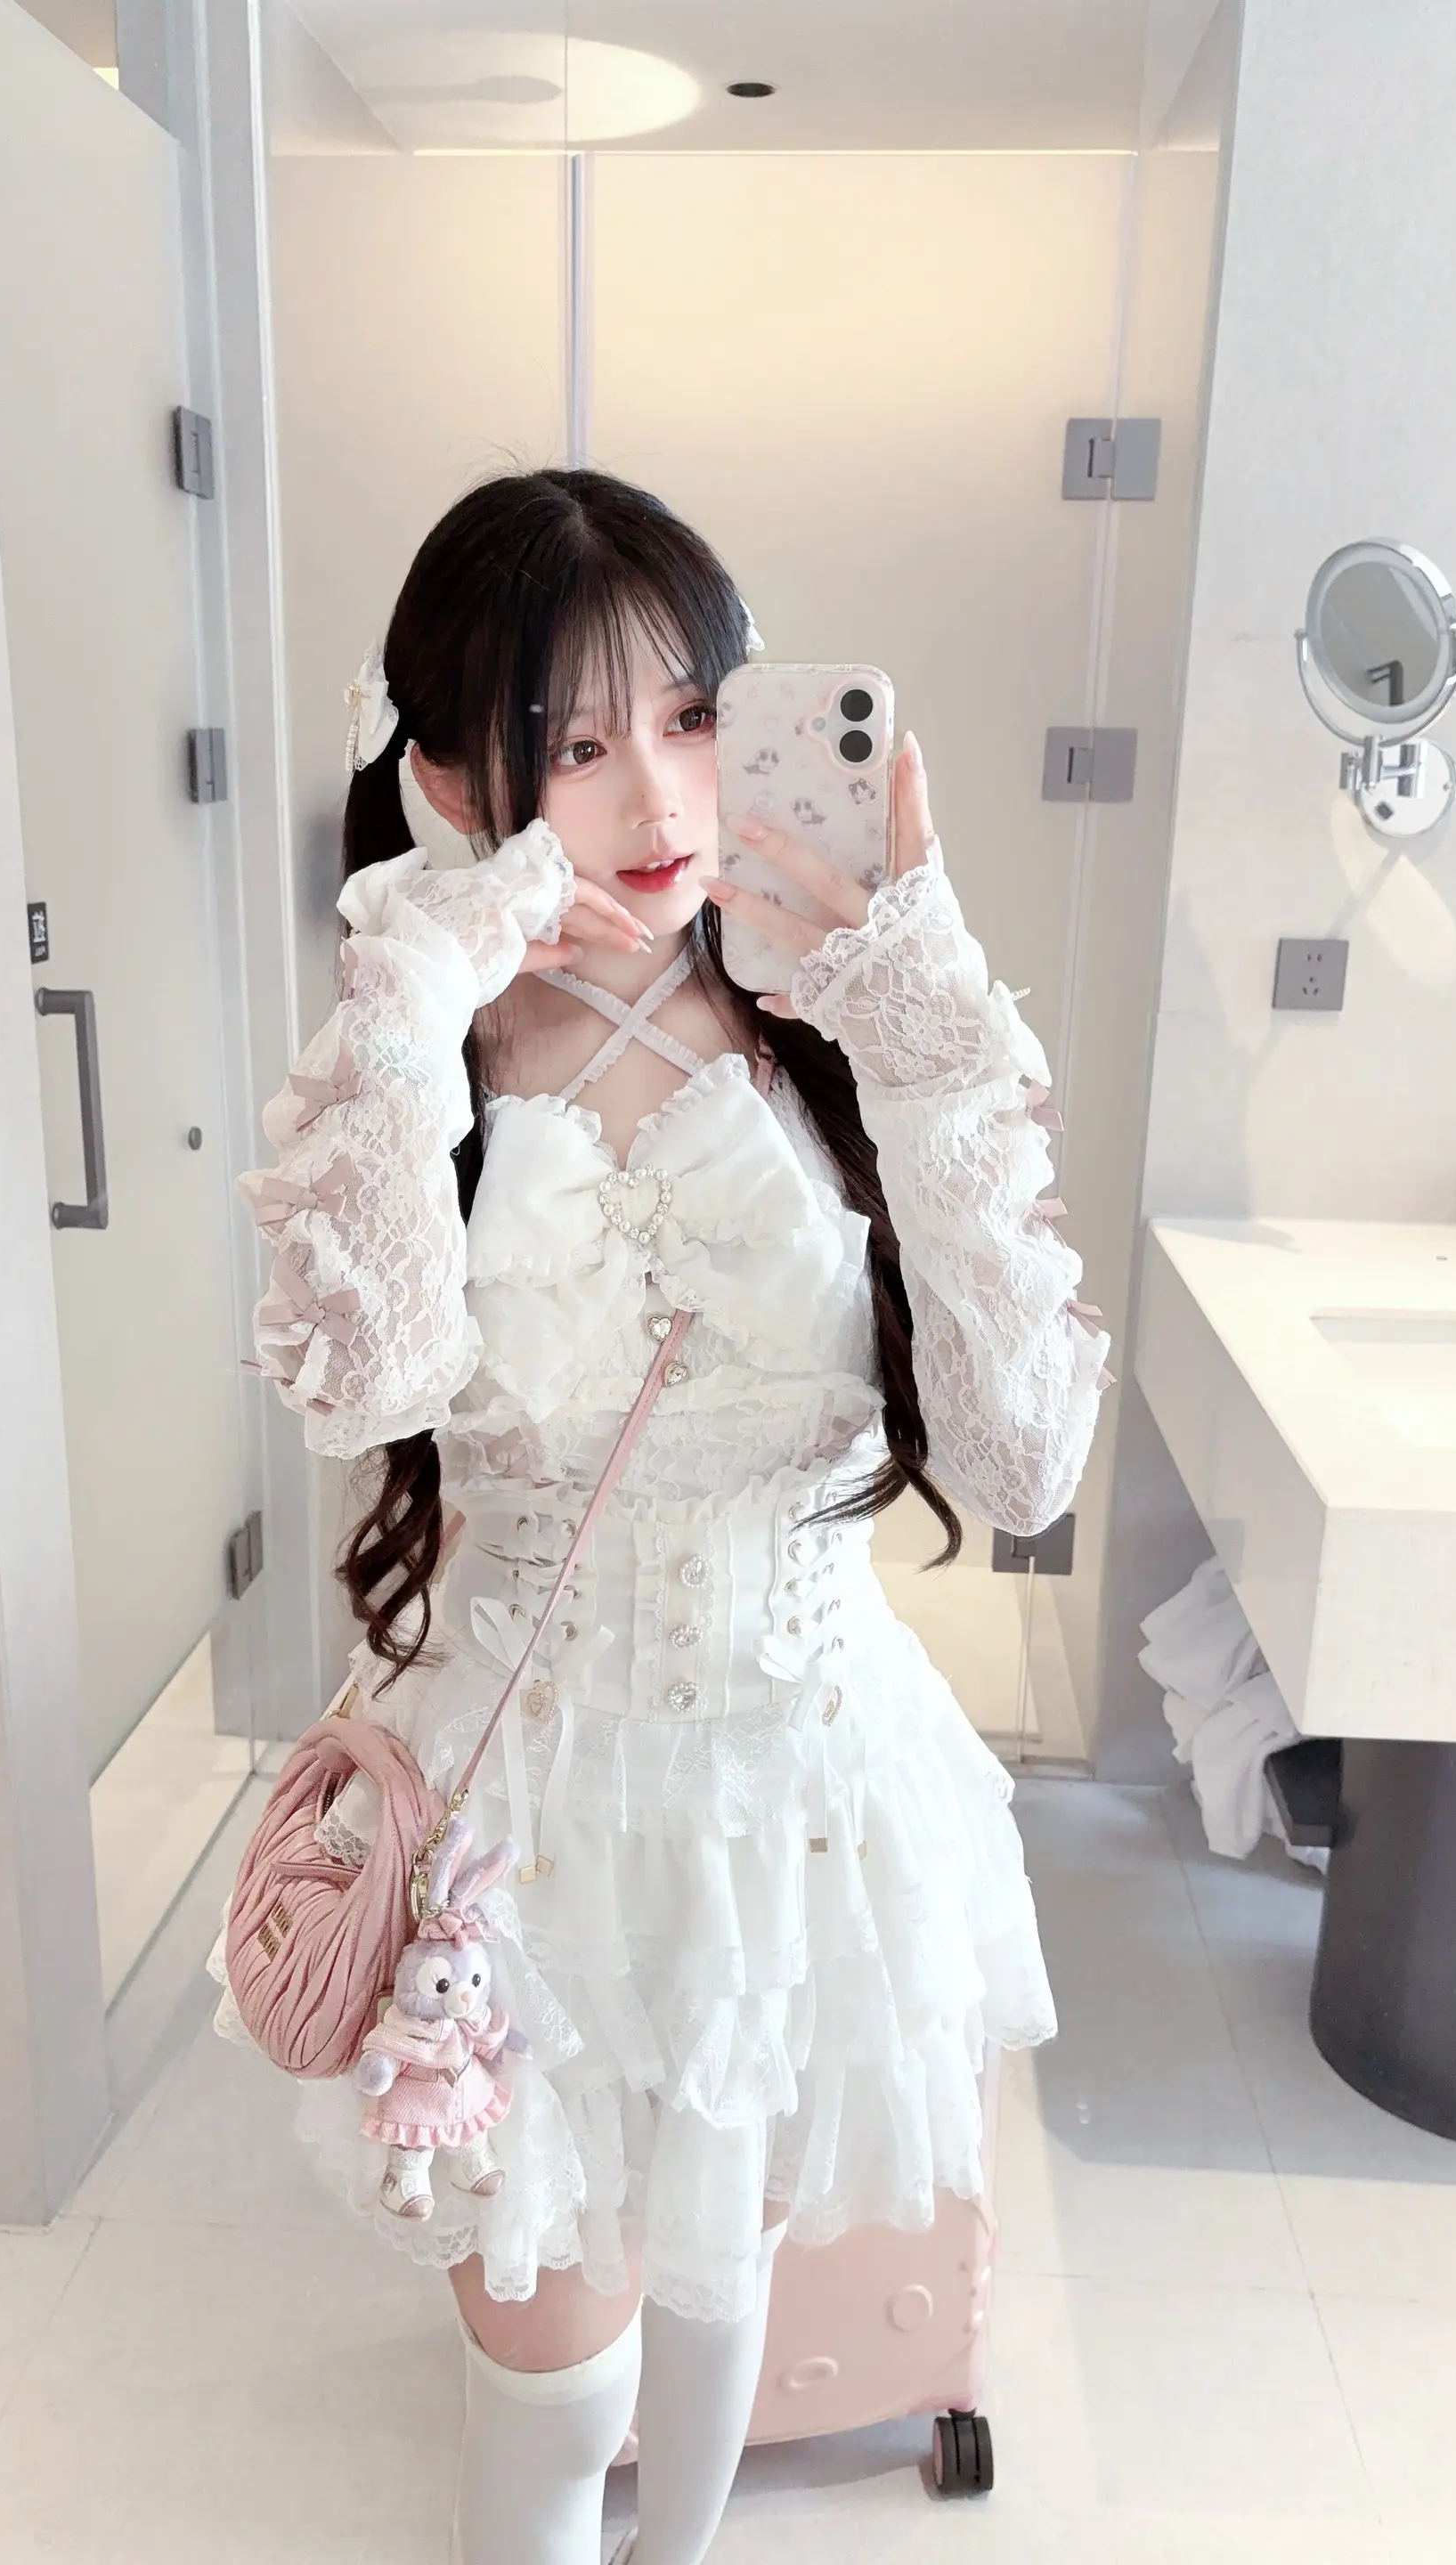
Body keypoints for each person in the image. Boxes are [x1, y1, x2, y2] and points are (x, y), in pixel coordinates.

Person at [231, 468, 1109, 2565]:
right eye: (574, 742)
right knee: (560, 2386)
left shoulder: (838, 1010)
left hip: (803, 1796)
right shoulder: (418, 1049)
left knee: (718, 2291)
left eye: (696, 716)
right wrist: (412, 1017)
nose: (655, 798)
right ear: (455, 777)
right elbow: (367, 1386)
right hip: (521, 1809)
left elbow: (1022, 1465)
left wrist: (923, 1008)